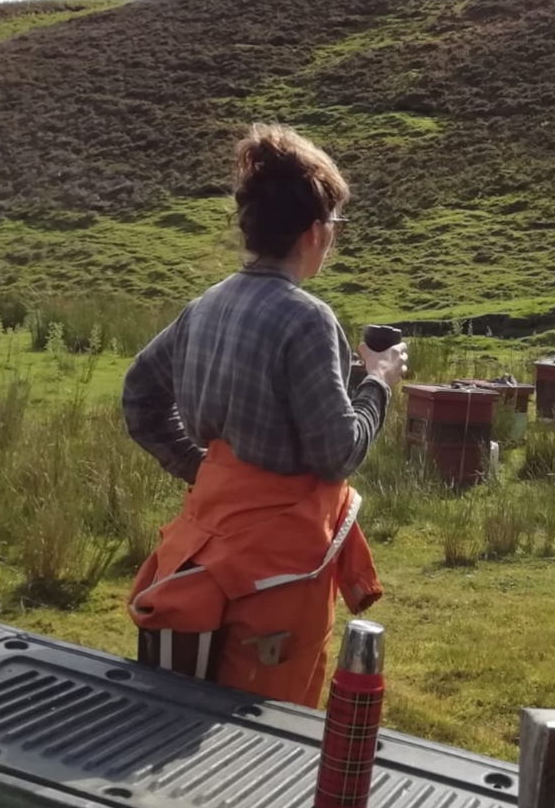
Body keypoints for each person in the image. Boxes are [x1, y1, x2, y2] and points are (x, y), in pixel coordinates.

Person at [122, 123, 408, 707]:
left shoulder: (207, 303)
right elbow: (337, 453)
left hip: (201, 546)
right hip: (277, 572)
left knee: (179, 714)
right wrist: (378, 381)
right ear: (313, 232)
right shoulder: (308, 318)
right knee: (267, 733)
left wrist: (203, 470)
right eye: (335, 226)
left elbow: (139, 396)